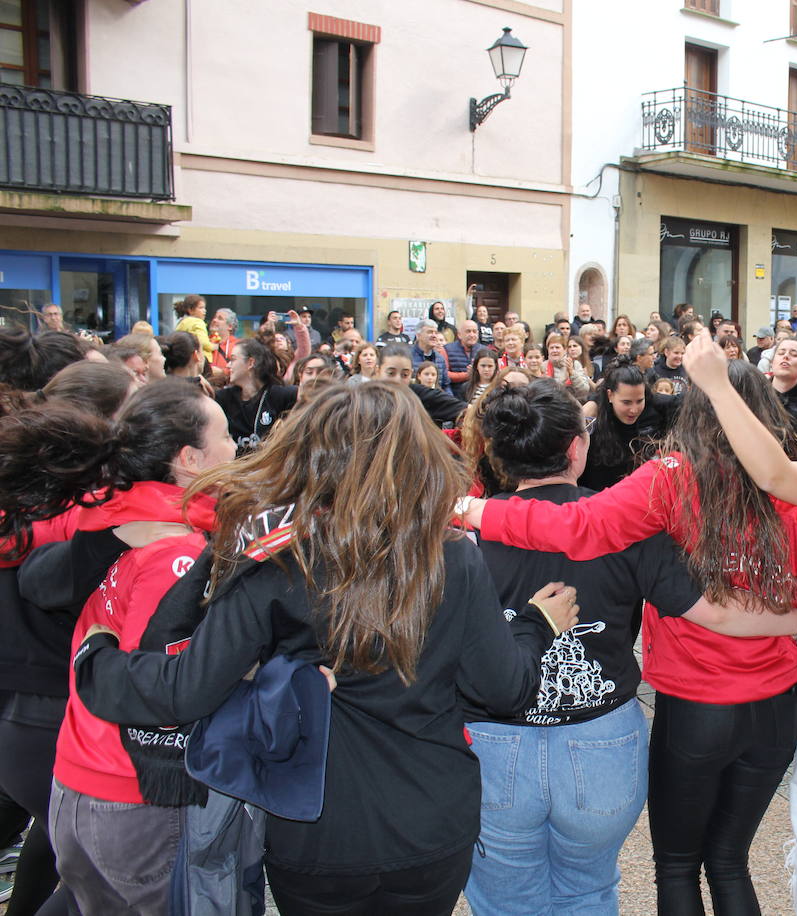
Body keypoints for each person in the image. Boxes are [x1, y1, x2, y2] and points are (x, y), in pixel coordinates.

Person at [459, 358, 797, 916]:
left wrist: (474, 510)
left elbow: (581, 526)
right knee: (729, 861)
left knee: (676, 866)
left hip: (696, 703)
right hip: (775, 705)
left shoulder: (670, 477)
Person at [67, 383, 574, 916]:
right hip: (428, 819)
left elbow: (183, 691)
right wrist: (535, 626)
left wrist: (96, 656)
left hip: (312, 829)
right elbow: (504, 689)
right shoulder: (452, 557)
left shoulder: (277, 558)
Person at [465, 381, 797, 916]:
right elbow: (712, 611)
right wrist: (789, 617)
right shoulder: (624, 523)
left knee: (506, 902)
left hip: (492, 740)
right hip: (600, 736)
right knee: (589, 891)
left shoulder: (464, 533)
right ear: (576, 448)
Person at [3, 381, 235, 916]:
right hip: (134, 793)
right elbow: (156, 689)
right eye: (225, 436)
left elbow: (39, 575)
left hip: (76, 779)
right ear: (190, 458)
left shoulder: (107, 513)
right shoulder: (174, 549)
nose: (235, 449)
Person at [580, 358, 678, 491]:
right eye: (626, 402)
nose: (634, 409)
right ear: (610, 396)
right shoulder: (593, 423)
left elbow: (688, 403)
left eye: (639, 401)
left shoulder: (654, 408)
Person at [214, 338, 299, 455]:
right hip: (232, 470)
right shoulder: (222, 398)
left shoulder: (280, 396)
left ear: (250, 363)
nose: (228, 365)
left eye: (233, 359)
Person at [377, 344, 465, 426]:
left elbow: (466, 409)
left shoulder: (420, 395)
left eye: (404, 375)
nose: (397, 380)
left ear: (411, 373)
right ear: (378, 371)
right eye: (391, 373)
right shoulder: (367, 399)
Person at [411, 320, 453, 395]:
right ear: (418, 336)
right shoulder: (408, 356)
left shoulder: (440, 359)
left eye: (435, 333)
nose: (434, 336)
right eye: (430, 332)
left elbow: (446, 385)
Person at [173, 295, 215, 362]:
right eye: (201, 308)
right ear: (190, 310)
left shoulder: (181, 323)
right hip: (201, 360)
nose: (205, 311)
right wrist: (213, 346)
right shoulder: (198, 322)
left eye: (204, 308)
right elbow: (203, 342)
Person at [444, 320, 482, 387]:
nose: (472, 335)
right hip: (454, 392)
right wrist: (466, 375)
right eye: (468, 331)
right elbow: (444, 374)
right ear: (459, 334)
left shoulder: (484, 350)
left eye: (474, 331)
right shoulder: (447, 349)